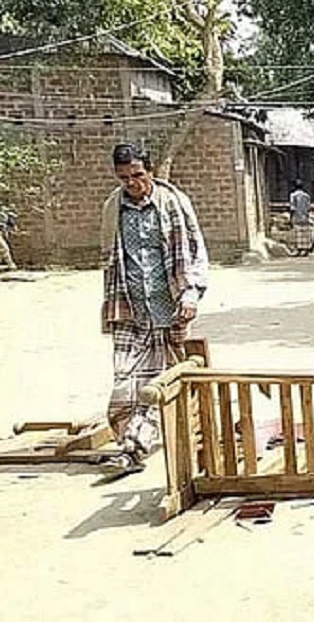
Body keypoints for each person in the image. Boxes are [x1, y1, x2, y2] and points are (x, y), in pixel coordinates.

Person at [99, 143, 209, 470]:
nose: (132, 183)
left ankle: (134, 449)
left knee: (159, 385)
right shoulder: (113, 209)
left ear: (150, 171)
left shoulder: (174, 203)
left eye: (137, 175)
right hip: (129, 310)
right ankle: (131, 443)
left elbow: (196, 251)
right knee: (124, 383)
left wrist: (191, 294)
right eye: (124, 178)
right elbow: (110, 257)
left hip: (168, 310)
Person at [288, 179, 311, 255]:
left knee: (298, 233)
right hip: (305, 216)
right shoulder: (307, 196)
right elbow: (308, 207)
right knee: (305, 233)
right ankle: (305, 249)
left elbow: (292, 208)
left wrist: (291, 218)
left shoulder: (293, 195)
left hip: (297, 216)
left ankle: (298, 249)